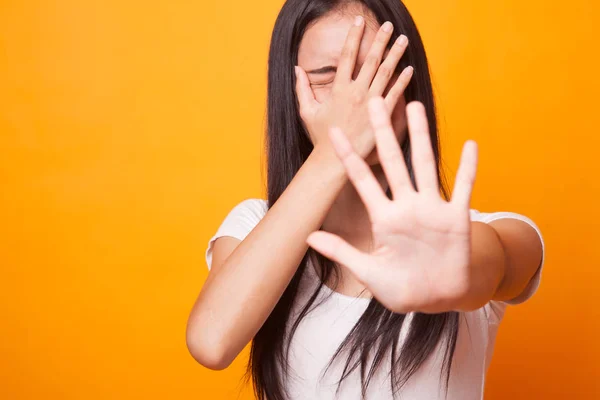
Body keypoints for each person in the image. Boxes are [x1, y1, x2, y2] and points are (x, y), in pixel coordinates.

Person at [186, 0, 545, 399]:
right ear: (292, 96)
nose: (357, 100)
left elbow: (499, 260)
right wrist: (334, 151)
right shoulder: (255, 225)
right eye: (327, 78)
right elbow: (211, 342)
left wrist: (453, 269)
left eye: (376, 70)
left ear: (411, 84)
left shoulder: (486, 230)